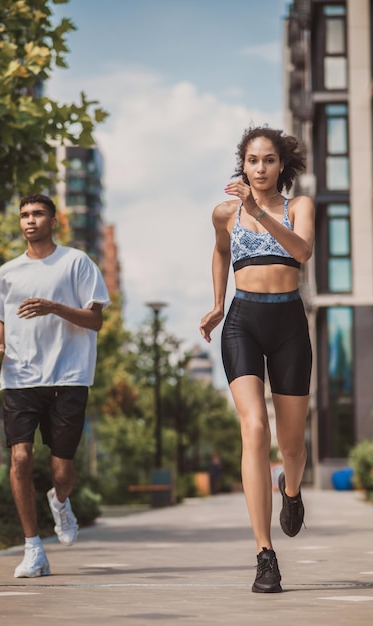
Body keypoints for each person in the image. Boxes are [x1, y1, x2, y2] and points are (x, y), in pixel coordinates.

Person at [200, 125, 314, 594]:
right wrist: (217, 301)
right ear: (242, 165)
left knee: (291, 446)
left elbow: (302, 251)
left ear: (281, 165)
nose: (260, 168)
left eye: (268, 160)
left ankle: (291, 489)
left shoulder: (298, 207)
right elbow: (221, 252)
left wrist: (258, 213)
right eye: (252, 160)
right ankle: (265, 555)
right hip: (242, 322)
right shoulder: (224, 213)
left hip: (289, 324)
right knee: (254, 429)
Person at [0, 193, 110, 579]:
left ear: (53, 221)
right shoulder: (8, 272)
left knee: (61, 472)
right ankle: (33, 549)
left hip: (68, 378)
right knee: (20, 458)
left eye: (38, 213)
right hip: (20, 377)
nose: (30, 220)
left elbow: (95, 321)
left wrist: (54, 306)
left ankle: (60, 501)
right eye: (24, 214)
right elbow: (0, 316)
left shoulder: (75, 262)